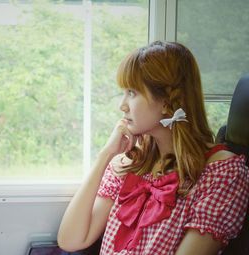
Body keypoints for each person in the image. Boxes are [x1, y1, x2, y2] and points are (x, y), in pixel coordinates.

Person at [57, 41, 249, 255]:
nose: (122, 105)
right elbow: (71, 240)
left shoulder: (221, 173)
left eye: (132, 92)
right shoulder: (130, 162)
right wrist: (106, 155)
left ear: (167, 102)